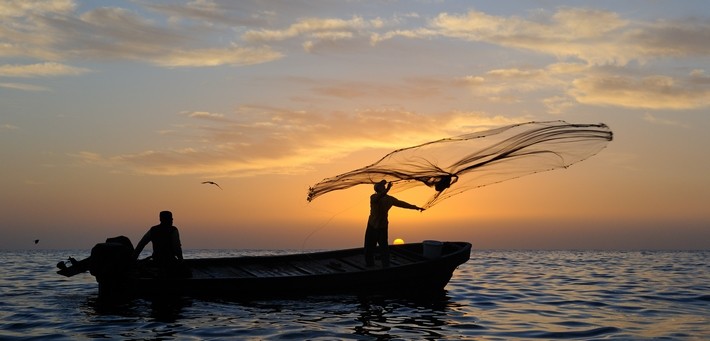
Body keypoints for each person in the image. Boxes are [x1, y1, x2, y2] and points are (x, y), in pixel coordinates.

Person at [365, 180, 424, 267]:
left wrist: (415, 207)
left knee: (384, 248)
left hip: (382, 227)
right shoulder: (373, 197)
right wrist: (387, 189)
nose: (383, 187)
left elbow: (402, 204)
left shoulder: (389, 199)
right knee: (369, 248)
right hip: (372, 226)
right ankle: (370, 266)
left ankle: (386, 266)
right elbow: (379, 197)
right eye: (381, 186)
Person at [133, 211, 186, 277]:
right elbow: (177, 248)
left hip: (156, 261)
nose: (172, 220)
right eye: (171, 219)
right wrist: (181, 260)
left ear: (160, 219)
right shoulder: (173, 230)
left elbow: (141, 244)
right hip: (170, 262)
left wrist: (133, 259)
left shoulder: (153, 230)